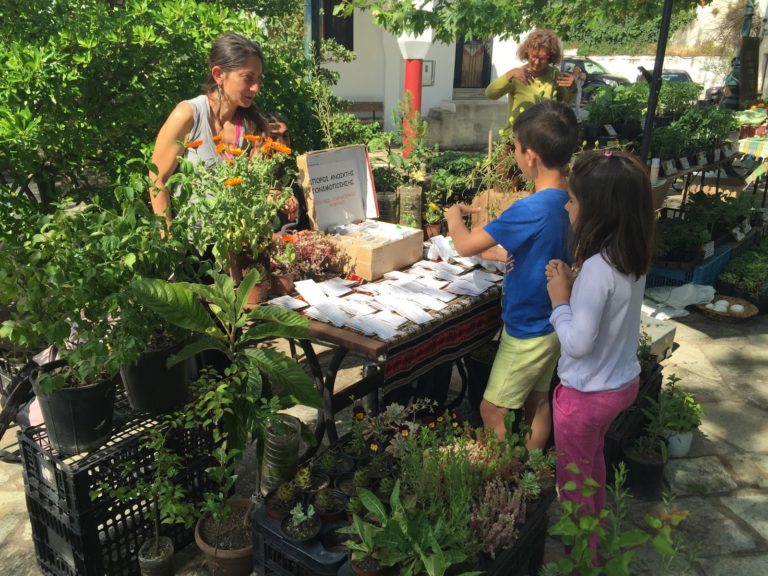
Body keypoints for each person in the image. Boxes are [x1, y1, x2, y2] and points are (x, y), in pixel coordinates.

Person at [445, 100, 578, 449]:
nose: (515, 155)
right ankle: (531, 472)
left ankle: (503, 477)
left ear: (530, 156)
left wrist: (453, 217)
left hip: (527, 327)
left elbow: (466, 245)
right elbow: (543, 246)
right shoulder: (570, 198)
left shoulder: (531, 207)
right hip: (553, 319)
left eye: (516, 148)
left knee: (492, 410)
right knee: (537, 400)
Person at [545, 150, 654, 525]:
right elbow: (610, 310)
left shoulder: (595, 268)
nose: (566, 209)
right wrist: (574, 286)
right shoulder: (629, 256)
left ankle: (582, 555)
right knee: (592, 463)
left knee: (572, 479)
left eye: (572, 201)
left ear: (598, 211)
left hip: (585, 396)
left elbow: (578, 342)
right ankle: (597, 524)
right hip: (621, 384)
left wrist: (559, 301)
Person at [149, 32, 298, 227]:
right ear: (219, 75)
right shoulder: (188, 114)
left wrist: (276, 196)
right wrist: (167, 237)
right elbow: (157, 179)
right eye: (248, 78)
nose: (256, 88)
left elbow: (252, 188)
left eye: (259, 80)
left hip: (235, 246)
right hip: (190, 249)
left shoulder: (251, 126)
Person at [485, 29, 580, 133]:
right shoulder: (517, 75)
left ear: (550, 56)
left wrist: (572, 88)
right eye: (533, 56)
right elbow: (490, 94)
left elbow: (563, 104)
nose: (537, 62)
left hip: (543, 136)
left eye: (542, 58)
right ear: (526, 53)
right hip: (517, 137)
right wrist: (509, 74)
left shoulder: (554, 75)